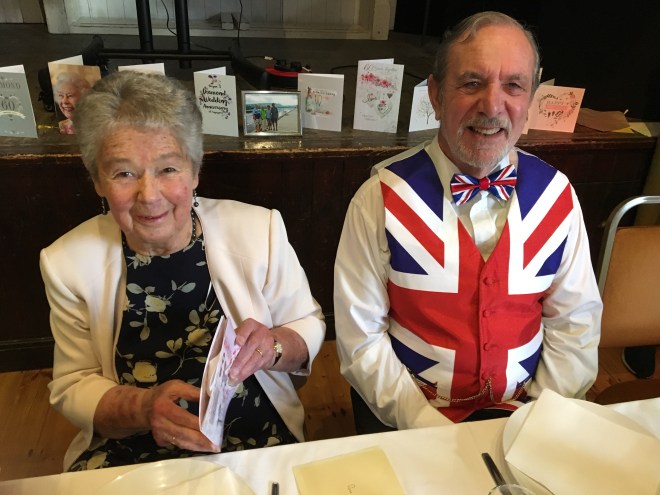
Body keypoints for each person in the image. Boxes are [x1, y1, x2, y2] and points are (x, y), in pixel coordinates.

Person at [40, 71, 325, 471]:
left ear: (195, 170)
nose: (149, 195)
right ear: (97, 182)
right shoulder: (67, 262)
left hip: (252, 431)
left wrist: (273, 345)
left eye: (168, 169)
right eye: (123, 173)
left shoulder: (259, 229)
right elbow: (74, 384)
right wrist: (143, 407)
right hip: (133, 443)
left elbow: (307, 323)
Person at [333, 11, 602, 433]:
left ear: (530, 100)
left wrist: (537, 422)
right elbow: (360, 339)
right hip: (413, 420)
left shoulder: (557, 196)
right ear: (436, 95)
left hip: (528, 416)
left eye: (513, 86)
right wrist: (426, 428)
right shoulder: (379, 199)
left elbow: (576, 324)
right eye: (472, 83)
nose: (492, 106)